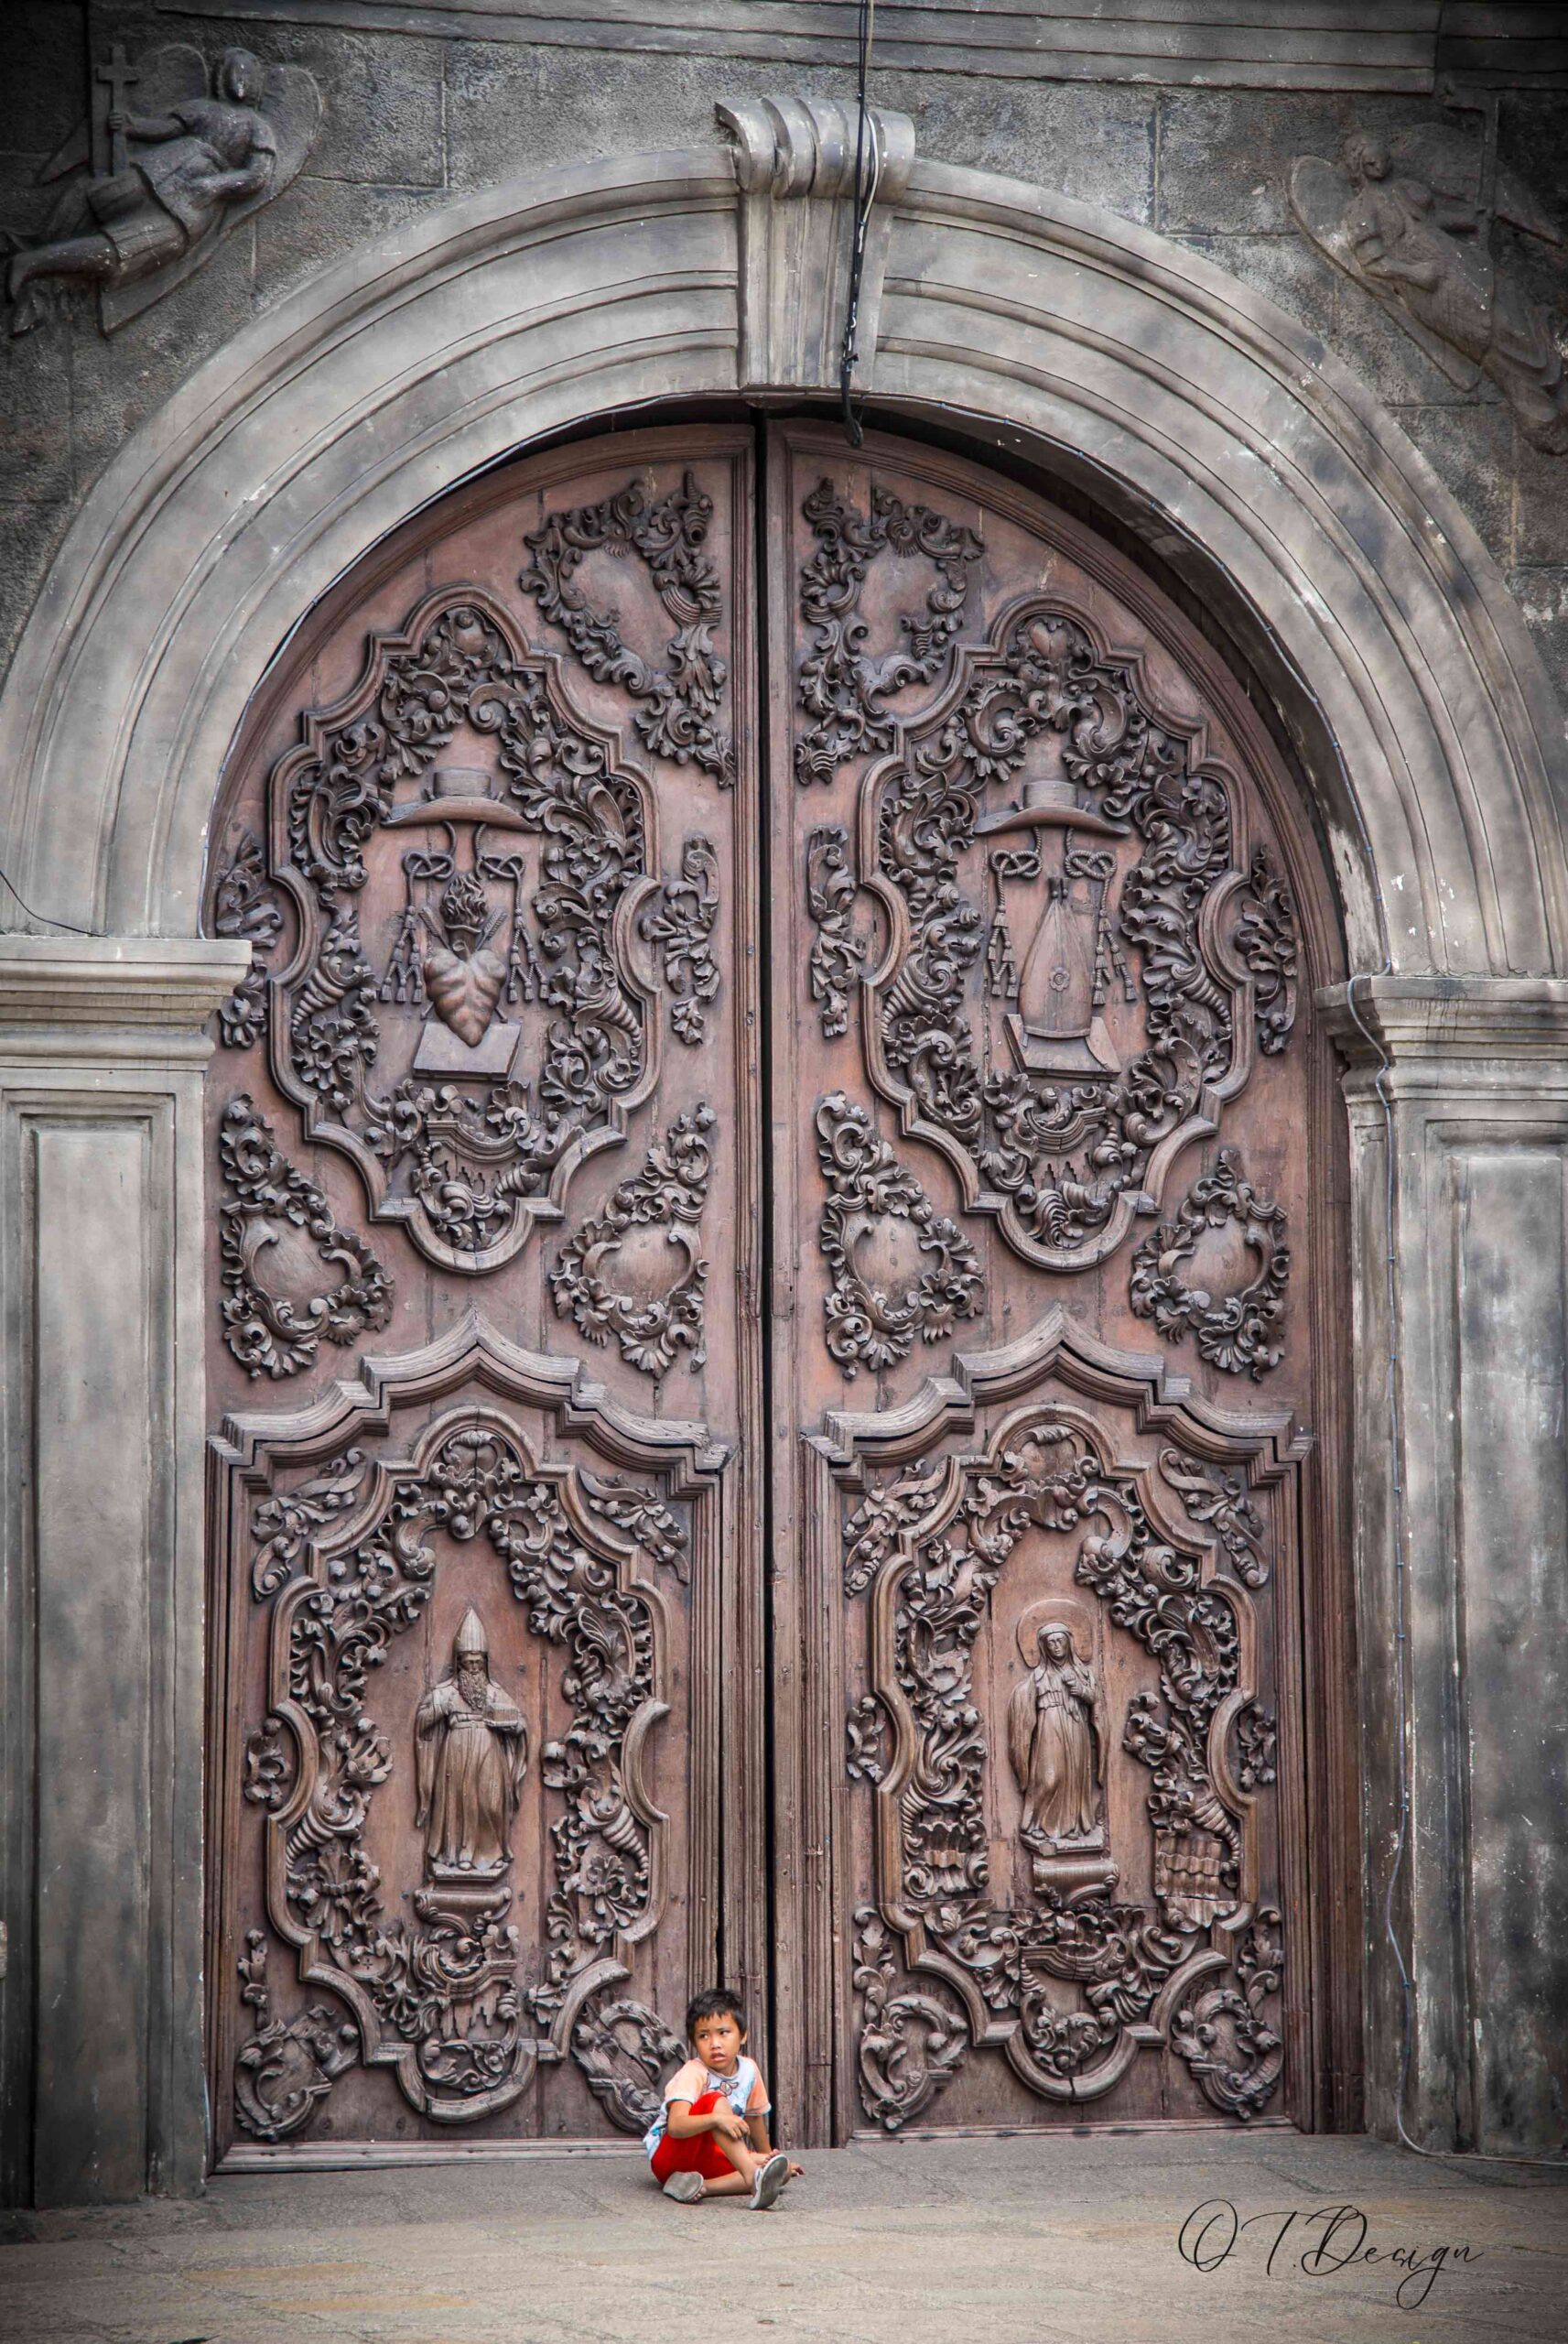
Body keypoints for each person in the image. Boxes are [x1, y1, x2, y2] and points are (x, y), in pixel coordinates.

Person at [643, 1988, 803, 2208]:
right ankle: (752, 2177)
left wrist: (769, 2159)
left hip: (708, 2158)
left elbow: (754, 2118)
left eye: (723, 2032)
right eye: (704, 2036)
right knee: (715, 2101)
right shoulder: (694, 2072)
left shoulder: (749, 2070)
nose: (714, 2043)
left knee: (781, 2173)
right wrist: (716, 2119)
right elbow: (676, 2126)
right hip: (671, 2156)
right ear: (694, 2042)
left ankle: (701, 2187)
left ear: (743, 2035)